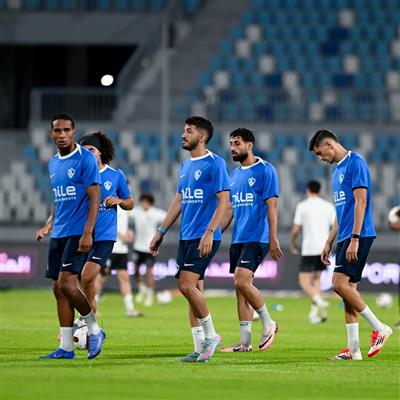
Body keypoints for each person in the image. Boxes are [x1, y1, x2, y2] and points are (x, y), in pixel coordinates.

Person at [149, 116, 230, 363]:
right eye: (184, 130)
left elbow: (224, 201)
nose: (183, 135)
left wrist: (210, 231)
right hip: (187, 236)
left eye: (189, 131)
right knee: (193, 290)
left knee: (186, 286)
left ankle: (211, 336)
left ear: (201, 136)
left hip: (204, 236)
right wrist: (161, 231)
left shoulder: (215, 163)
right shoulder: (185, 166)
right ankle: (199, 349)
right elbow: (179, 200)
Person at [309, 129, 392, 360]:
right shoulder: (336, 170)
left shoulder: (356, 163)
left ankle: (380, 328)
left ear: (329, 145)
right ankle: (353, 350)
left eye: (319, 153)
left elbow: (360, 202)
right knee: (349, 292)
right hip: (345, 235)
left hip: (359, 234)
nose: (320, 158)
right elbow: (341, 209)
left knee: (339, 284)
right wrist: (329, 241)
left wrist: (355, 238)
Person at [36, 114, 104, 360]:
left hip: (78, 231)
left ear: (74, 132)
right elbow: (59, 198)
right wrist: (49, 224)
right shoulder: (54, 163)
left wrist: (88, 232)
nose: (62, 134)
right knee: (58, 288)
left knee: (67, 284)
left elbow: (95, 198)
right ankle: (66, 347)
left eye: (66, 130)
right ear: (52, 134)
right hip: (60, 231)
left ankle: (94, 329)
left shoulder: (85, 159)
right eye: (57, 131)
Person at [219, 128, 283, 353]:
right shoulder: (233, 175)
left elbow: (272, 206)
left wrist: (273, 238)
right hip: (239, 238)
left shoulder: (266, 169)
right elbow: (229, 209)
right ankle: (244, 343)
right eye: (231, 144)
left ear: (249, 145)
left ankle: (268, 323)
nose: (233, 148)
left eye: (237, 143)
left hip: (258, 236)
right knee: (240, 290)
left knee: (241, 282)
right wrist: (215, 234)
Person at [76, 132, 134, 325]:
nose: (88, 155)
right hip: (80, 235)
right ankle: (90, 325)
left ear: (100, 152)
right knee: (81, 283)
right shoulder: (78, 177)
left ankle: (81, 322)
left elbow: (130, 202)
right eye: (84, 152)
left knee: (87, 277)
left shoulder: (115, 175)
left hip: (104, 237)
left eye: (91, 150)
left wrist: (119, 201)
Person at [290, 180, 335, 323]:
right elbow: (335, 226)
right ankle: (316, 313)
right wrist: (330, 243)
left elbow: (296, 229)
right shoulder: (328, 206)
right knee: (316, 281)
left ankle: (320, 302)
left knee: (304, 281)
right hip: (323, 247)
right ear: (320, 190)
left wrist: (293, 242)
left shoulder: (302, 206)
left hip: (309, 247)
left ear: (307, 190)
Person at [95, 206, 143, 317]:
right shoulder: (108, 203)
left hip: (122, 249)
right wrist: (121, 235)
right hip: (110, 247)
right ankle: (93, 308)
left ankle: (130, 309)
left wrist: (130, 233)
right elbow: (105, 222)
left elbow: (127, 223)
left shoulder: (125, 206)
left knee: (124, 276)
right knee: (102, 277)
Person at [130, 193, 167, 306]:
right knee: (135, 269)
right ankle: (142, 289)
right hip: (137, 246)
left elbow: (169, 217)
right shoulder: (137, 211)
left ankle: (150, 295)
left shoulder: (156, 213)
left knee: (149, 271)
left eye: (146, 202)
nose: (144, 204)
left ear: (150, 203)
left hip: (149, 247)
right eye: (142, 202)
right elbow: (125, 213)